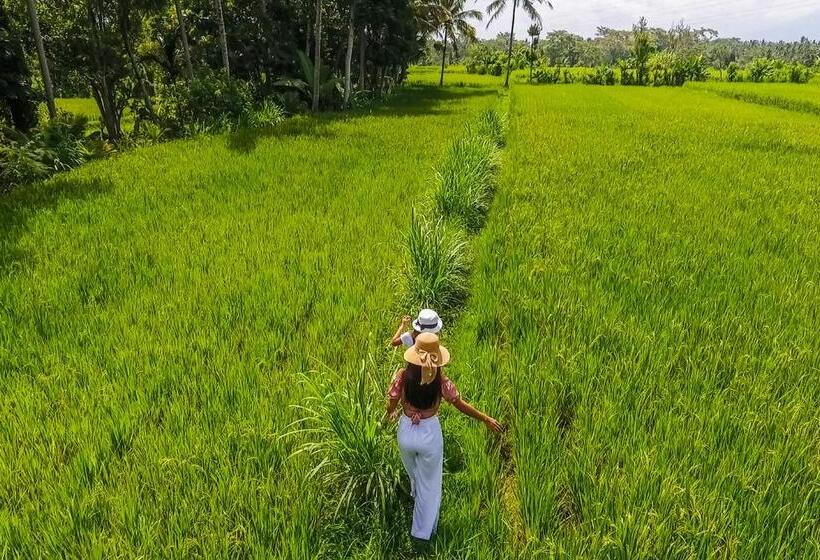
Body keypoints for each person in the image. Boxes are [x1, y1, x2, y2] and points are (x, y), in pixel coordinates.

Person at [385, 332, 502, 543]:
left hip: (405, 433)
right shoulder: (440, 381)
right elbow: (459, 404)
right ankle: (421, 533)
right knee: (430, 484)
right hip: (429, 434)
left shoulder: (402, 375)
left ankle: (415, 494)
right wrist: (485, 418)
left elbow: (391, 402)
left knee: (414, 473)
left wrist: (389, 414)